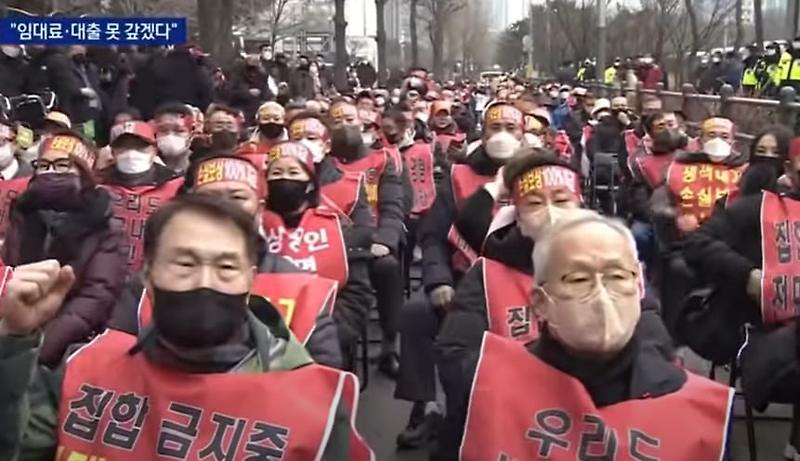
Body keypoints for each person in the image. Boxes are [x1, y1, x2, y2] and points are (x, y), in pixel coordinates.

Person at [0, 193, 373, 460]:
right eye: (184, 264)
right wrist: (12, 339)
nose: (204, 281)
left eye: (226, 268)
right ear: (147, 274)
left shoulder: (315, 409)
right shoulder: (85, 370)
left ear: (250, 279)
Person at [435, 215, 733, 461]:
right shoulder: (485, 389)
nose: (601, 296)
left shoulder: (702, 415)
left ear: (640, 287)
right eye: (578, 279)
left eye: (617, 277)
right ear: (540, 302)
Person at [394, 102, 524, 448]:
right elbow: (433, 235)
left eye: (512, 128)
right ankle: (424, 406)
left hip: (521, 282)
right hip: (463, 278)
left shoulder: (542, 174)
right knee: (417, 314)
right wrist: (437, 281)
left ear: (524, 135)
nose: (503, 136)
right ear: (482, 133)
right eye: (496, 128)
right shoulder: (459, 175)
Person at [2, 129, 127, 368]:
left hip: (65, 349)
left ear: (84, 173)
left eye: (62, 165)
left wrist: (42, 345)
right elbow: (9, 269)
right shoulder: (24, 212)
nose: (50, 172)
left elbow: (97, 295)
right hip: (14, 329)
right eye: (44, 164)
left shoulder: (104, 223)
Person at [261, 141, 374, 365]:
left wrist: (325, 334)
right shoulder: (254, 227)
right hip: (261, 342)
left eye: (294, 172)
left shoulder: (338, 226)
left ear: (310, 183)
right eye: (276, 172)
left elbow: (357, 295)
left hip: (325, 337)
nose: (285, 178)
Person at [328, 100, 407, 376]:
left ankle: (390, 346)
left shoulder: (382, 160)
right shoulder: (322, 164)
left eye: (350, 119)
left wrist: (385, 240)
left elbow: (393, 207)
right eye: (337, 121)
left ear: (362, 124)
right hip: (332, 245)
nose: (345, 126)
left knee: (387, 268)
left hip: (375, 241)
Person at [99, 121, 183, 274]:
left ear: (154, 150)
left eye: (140, 146)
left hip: (156, 275)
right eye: (124, 147)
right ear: (112, 152)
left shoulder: (177, 186)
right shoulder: (97, 186)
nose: (131, 153)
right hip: (106, 274)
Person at [627, 112, 688, 263]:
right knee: (639, 235)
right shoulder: (641, 163)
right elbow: (639, 198)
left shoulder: (693, 155)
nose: (667, 129)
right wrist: (660, 218)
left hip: (690, 213)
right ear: (650, 132)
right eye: (661, 126)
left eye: (670, 124)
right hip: (654, 216)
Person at [152, 44, 213, 112]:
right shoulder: (199, 71)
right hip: (190, 112)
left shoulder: (157, 66)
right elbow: (207, 95)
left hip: (161, 112)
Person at [152, 102, 195, 175]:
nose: (170, 136)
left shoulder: (198, 164)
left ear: (190, 134)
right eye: (163, 130)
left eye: (179, 131)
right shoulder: (145, 164)